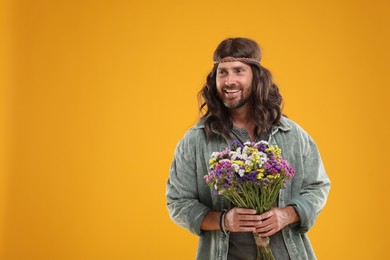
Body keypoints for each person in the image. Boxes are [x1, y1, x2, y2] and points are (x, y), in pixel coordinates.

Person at [166, 37, 330, 260]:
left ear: (256, 76)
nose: (229, 80)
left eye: (238, 71)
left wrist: (287, 214)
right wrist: (224, 220)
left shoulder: (291, 133)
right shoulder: (196, 140)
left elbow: (318, 186)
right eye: (222, 72)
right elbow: (178, 202)